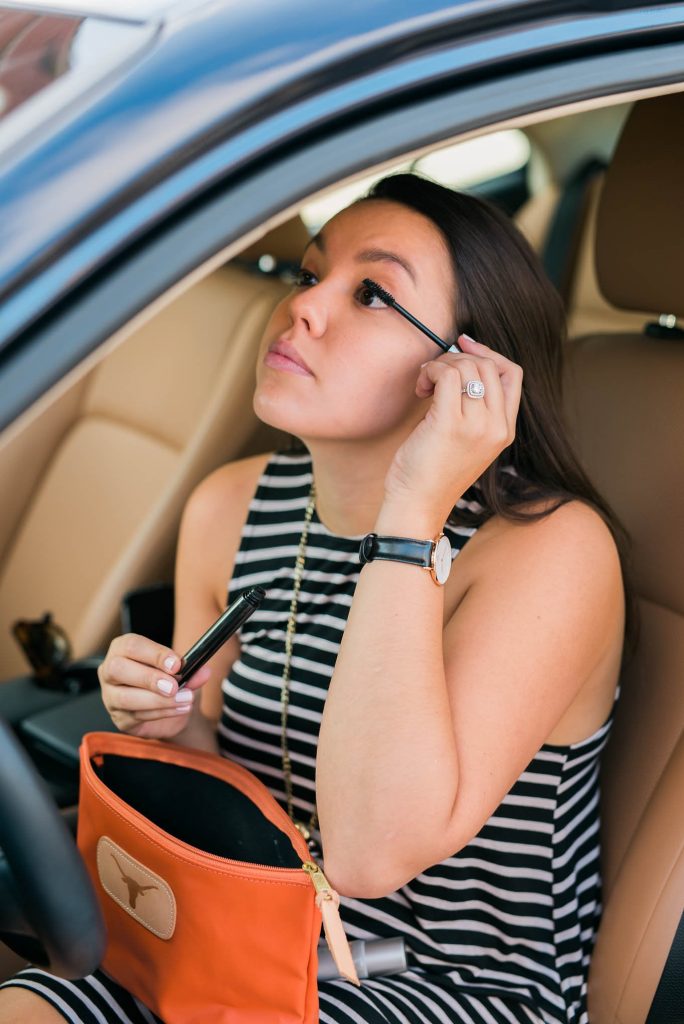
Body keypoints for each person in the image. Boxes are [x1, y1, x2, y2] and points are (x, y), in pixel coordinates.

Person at [0, 173, 632, 1024]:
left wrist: (413, 516)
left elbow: (370, 857)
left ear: (464, 370)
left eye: (371, 293)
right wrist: (170, 720)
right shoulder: (231, 507)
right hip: (241, 937)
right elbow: (229, 797)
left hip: (453, 989)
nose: (301, 308)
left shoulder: (549, 550)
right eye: (309, 273)